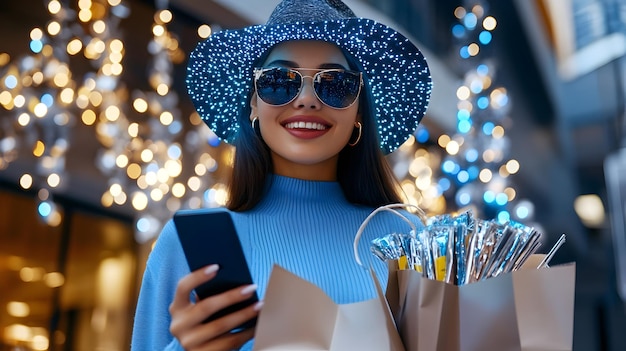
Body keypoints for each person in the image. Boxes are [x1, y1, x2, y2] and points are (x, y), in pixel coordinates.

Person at [131, 0, 432, 350]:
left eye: (334, 84)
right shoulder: (186, 244)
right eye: (278, 81)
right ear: (253, 104)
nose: (306, 99)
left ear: (359, 111)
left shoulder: (408, 241)